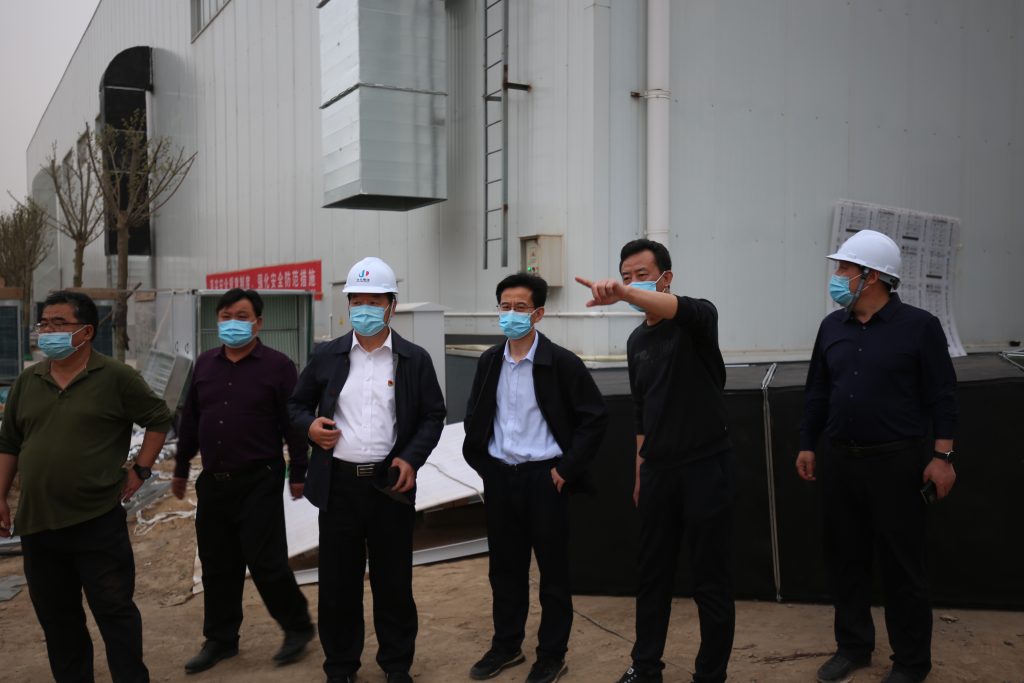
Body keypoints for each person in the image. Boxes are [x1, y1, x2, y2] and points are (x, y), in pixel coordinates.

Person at [796, 229, 958, 683]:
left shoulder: (920, 326)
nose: (837, 276)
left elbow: (943, 395)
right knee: (845, 558)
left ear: (871, 276)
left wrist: (943, 456)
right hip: (839, 460)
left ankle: (911, 662)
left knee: (902, 565)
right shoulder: (832, 327)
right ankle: (853, 646)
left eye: (844, 268)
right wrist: (808, 443)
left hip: (897, 463)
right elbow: (817, 390)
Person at [576, 239, 736, 683]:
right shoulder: (637, 341)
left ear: (666, 278)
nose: (631, 283)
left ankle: (710, 674)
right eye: (625, 277)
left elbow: (680, 309)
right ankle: (646, 667)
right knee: (652, 575)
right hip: (658, 471)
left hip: (706, 464)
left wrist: (623, 293)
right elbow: (641, 410)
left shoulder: (698, 319)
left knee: (710, 580)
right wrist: (640, 470)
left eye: (641, 276)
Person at [0, 290, 173, 682]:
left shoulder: (115, 377)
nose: (48, 332)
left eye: (59, 324)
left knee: (115, 613)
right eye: (44, 324)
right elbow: (8, 442)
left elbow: (158, 418)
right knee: (58, 621)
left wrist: (141, 470)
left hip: (97, 521)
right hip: (39, 524)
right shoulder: (28, 381)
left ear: (87, 331)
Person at [288, 256, 446, 683]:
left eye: (373, 301)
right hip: (338, 486)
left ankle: (396, 665)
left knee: (393, 582)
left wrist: (410, 458)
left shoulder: (413, 359)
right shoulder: (328, 355)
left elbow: (433, 415)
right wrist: (309, 427)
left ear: (392, 305)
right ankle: (341, 666)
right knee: (338, 584)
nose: (364, 309)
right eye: (356, 301)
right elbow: (296, 405)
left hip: (388, 486)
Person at [462, 273, 608, 683]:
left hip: (545, 480)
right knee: (504, 570)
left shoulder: (561, 362)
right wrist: (484, 465)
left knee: (553, 574)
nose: (511, 314)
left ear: (538, 313)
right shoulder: (490, 361)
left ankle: (551, 655)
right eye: (504, 307)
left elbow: (595, 419)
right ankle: (506, 645)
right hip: (500, 478)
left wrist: (565, 469)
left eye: (520, 308)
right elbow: (476, 414)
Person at [172, 288, 314, 673]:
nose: (232, 323)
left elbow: (293, 424)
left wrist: (299, 472)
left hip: (259, 479)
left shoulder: (278, 366)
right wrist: (181, 468)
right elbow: (191, 420)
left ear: (258, 322)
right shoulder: (204, 364)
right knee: (217, 563)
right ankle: (221, 639)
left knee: (266, 562)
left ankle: (297, 627)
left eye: (241, 316)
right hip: (213, 481)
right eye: (225, 316)